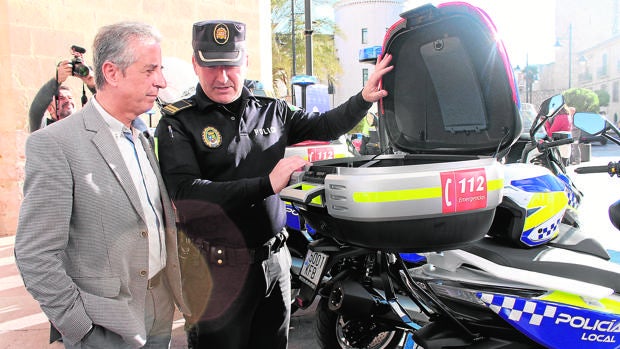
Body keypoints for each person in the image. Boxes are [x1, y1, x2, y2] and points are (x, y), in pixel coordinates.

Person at [155, 19, 392, 349]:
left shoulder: (271, 109)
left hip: (274, 264)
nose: (222, 77)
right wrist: (267, 184)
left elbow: (324, 125)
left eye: (231, 65)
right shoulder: (178, 122)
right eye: (211, 66)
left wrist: (364, 98)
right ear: (196, 63)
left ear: (245, 62)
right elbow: (186, 193)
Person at [14, 21, 188, 349]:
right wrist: (80, 327)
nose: (161, 82)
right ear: (111, 72)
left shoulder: (143, 135)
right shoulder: (56, 144)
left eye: (160, 70)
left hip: (160, 313)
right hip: (104, 327)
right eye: (149, 71)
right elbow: (35, 254)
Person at [28, 48, 96, 132]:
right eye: (61, 98)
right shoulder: (43, 131)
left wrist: (92, 84)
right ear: (50, 109)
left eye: (70, 98)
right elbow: (36, 110)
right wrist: (57, 80)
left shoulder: (85, 127)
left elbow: (109, 108)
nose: (67, 100)